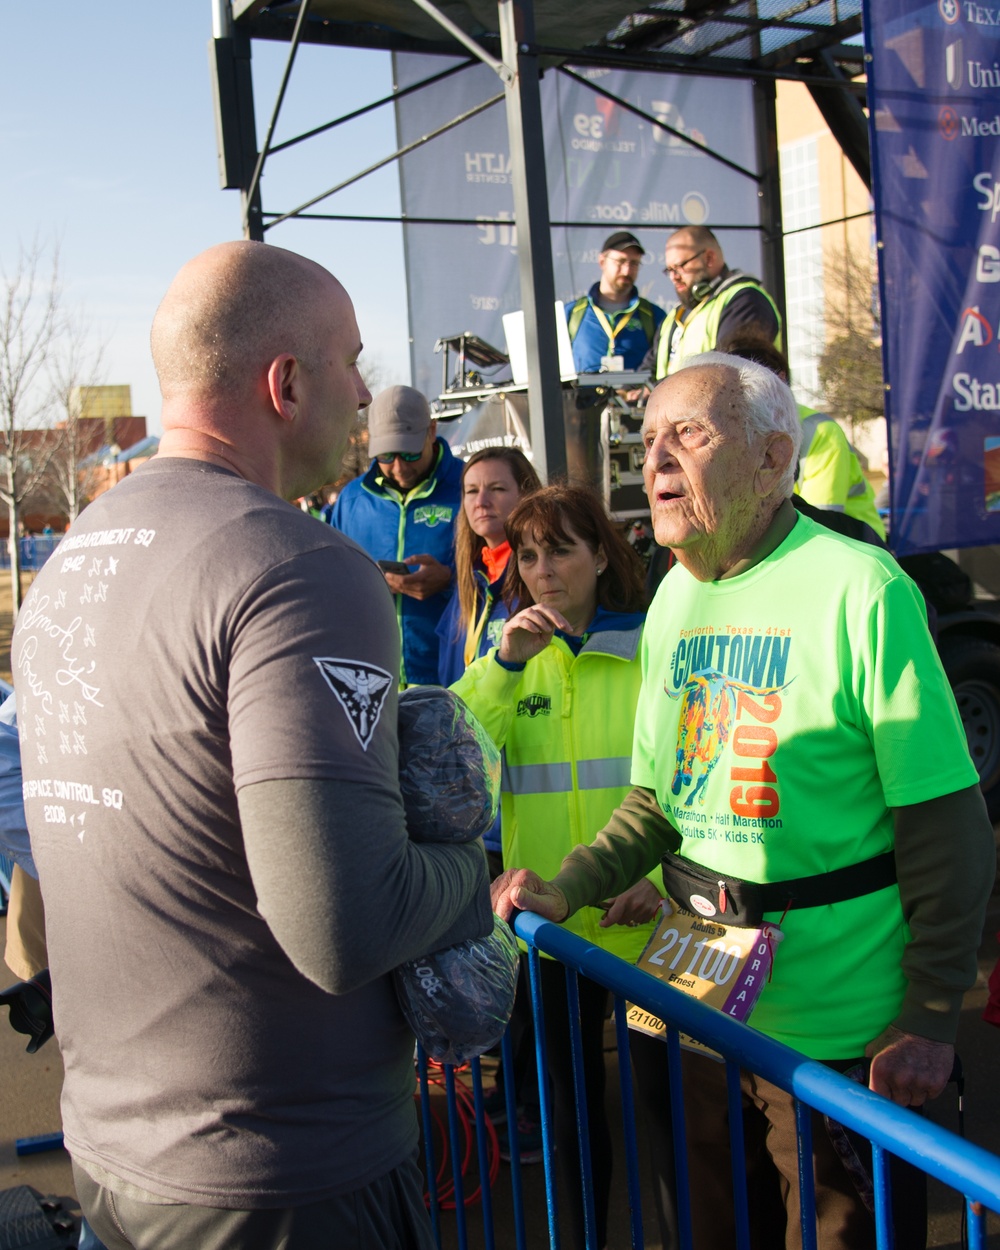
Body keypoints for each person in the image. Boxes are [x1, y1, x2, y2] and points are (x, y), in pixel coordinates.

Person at [12, 240, 492, 1250]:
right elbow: (343, 924)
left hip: (115, 1158)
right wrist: (473, 872)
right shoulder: (300, 567)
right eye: (352, 360)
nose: (366, 390)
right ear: (286, 383)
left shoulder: (72, 558)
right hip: (281, 1180)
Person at [493, 354, 995, 1250]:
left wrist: (927, 1016)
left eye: (689, 434)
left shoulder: (861, 587)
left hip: (840, 1036)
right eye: (647, 441)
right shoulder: (674, 597)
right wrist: (568, 887)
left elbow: (946, 826)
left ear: (771, 459)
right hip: (693, 998)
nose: (655, 463)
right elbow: (658, 797)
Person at [452, 484, 665, 1250]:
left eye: (562, 551)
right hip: (551, 932)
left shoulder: (653, 649)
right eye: (531, 556)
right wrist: (504, 666)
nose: (543, 572)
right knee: (572, 1128)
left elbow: (688, 787)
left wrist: (665, 881)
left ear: (603, 557)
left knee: (671, 1122)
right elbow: (450, 757)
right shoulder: (508, 660)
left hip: (650, 928)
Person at [330, 384, 462, 685]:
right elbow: (332, 580)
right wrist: (368, 581)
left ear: (431, 431)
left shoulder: (470, 489)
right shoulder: (352, 500)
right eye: (387, 455)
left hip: (454, 678)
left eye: (410, 454)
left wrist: (452, 579)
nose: (399, 468)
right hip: (371, 679)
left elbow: (508, 573)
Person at [719, 328, 887, 541]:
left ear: (780, 382)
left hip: (858, 545)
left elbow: (818, 522)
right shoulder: (733, 434)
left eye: (749, 388)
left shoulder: (821, 431)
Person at [644, 225, 781, 381]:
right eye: (669, 270)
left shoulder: (746, 300)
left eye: (680, 266)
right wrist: (631, 390)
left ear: (709, 258)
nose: (674, 277)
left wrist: (661, 387)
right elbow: (650, 367)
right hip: (676, 404)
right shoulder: (675, 315)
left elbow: (730, 365)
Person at [566, 231, 666, 374]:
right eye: (620, 261)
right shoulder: (572, 313)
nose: (626, 271)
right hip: (583, 396)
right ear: (602, 261)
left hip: (636, 396)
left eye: (634, 263)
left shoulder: (654, 316)